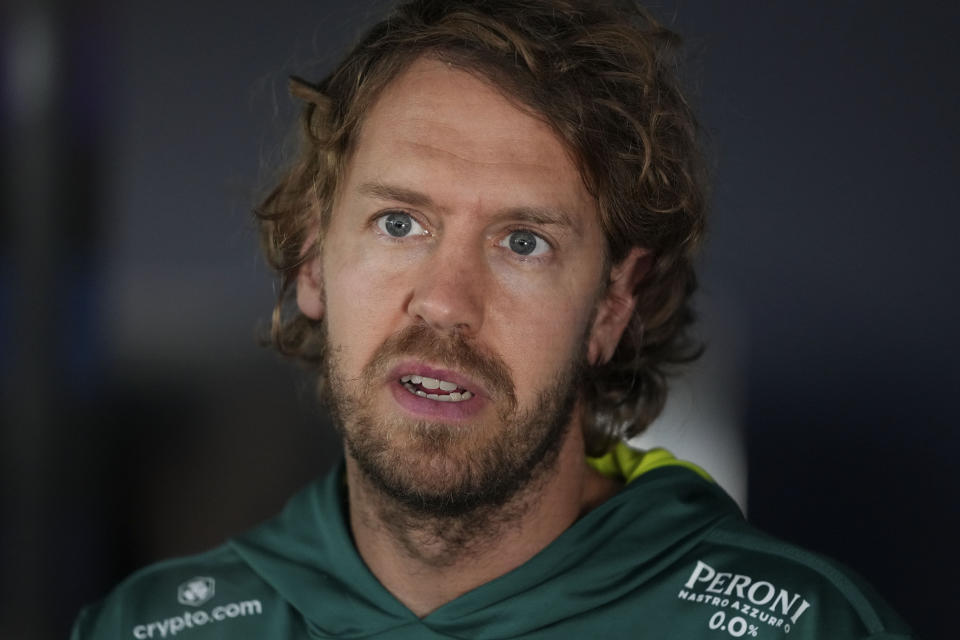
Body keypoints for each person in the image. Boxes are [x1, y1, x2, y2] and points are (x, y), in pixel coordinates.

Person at [72, 1, 913, 638]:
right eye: (400, 224)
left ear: (613, 303)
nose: (445, 302)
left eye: (523, 242)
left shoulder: (800, 625)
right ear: (310, 260)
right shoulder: (146, 626)